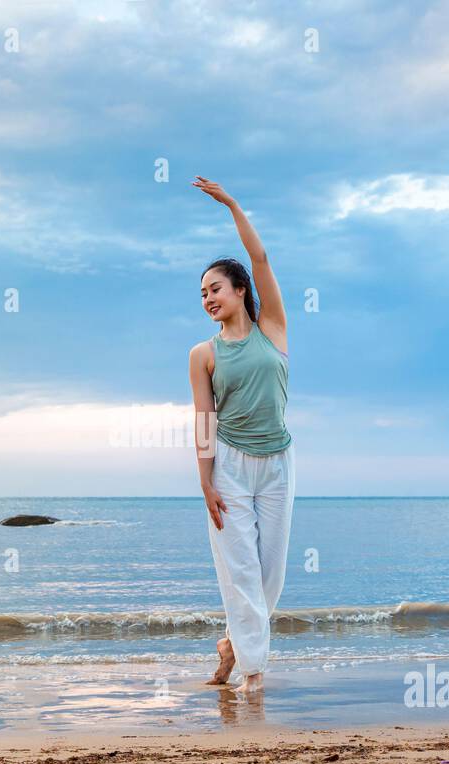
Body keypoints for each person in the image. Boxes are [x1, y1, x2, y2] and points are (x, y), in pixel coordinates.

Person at [187, 176, 295, 695]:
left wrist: (231, 204)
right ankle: (253, 675)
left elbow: (263, 259)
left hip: (277, 464)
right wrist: (205, 481)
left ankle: (232, 646)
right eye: (202, 293)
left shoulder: (272, 327)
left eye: (215, 289)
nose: (208, 298)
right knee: (242, 574)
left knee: (270, 574)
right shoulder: (202, 354)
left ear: (240, 291)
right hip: (228, 465)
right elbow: (204, 419)